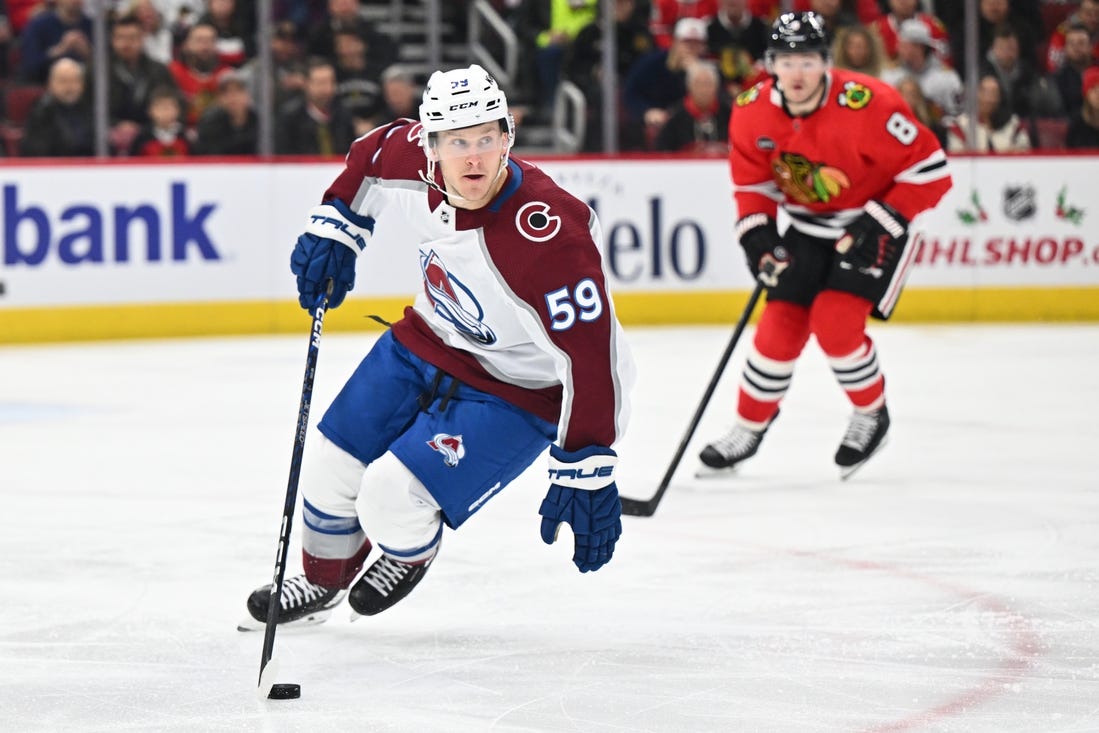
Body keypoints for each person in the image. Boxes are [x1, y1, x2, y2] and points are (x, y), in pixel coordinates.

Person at [244, 64, 635, 627]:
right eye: (456, 142)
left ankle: (410, 549)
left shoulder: (548, 237)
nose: (473, 158)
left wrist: (587, 461)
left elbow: (593, 356)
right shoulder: (408, 155)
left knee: (387, 496)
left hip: (517, 391)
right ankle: (322, 580)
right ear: (430, 145)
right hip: (424, 343)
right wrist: (337, 225)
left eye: (484, 139)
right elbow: (372, 154)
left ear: (508, 139)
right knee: (331, 464)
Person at [698, 12, 951, 477]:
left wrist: (879, 221)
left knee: (835, 325)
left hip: (873, 224)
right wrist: (758, 236)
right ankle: (748, 426)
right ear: (771, 64)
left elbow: (932, 171)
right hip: (806, 226)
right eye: (787, 61)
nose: (798, 73)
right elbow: (753, 184)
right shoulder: (752, 108)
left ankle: (872, 414)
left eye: (808, 61)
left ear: (827, 64)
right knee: (777, 329)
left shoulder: (870, 103)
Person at [945, 73, 1032, 153]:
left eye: (994, 93)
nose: (989, 99)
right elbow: (957, 157)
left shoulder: (1014, 124)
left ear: (1000, 97)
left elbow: (1024, 153)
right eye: (984, 92)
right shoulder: (960, 126)